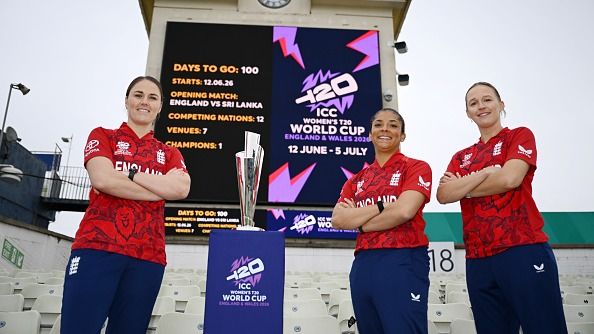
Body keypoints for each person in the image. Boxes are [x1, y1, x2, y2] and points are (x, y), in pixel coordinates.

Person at [60, 76, 191, 334]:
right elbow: (103, 179)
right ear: (127, 101)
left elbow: (180, 188)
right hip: (96, 248)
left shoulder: (169, 153)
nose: (144, 101)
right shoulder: (103, 136)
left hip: (147, 257)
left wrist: (129, 174)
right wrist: (158, 188)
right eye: (138, 95)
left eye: (152, 97)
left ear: (160, 106)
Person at [436, 82, 566, 334]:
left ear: (501, 104)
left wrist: (465, 187)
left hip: (522, 249)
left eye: (487, 100)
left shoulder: (518, 135)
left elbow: (510, 179)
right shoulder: (462, 156)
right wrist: (485, 173)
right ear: (467, 113)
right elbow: (443, 194)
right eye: (473, 103)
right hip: (478, 258)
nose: (481, 106)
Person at [332, 108, 432, 334]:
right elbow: (338, 219)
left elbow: (404, 211)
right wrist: (380, 207)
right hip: (363, 264)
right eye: (378, 124)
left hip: (403, 259)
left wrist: (359, 223)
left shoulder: (416, 167)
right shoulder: (357, 180)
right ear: (369, 134)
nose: (385, 128)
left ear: (403, 135)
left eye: (393, 125)